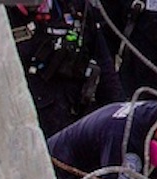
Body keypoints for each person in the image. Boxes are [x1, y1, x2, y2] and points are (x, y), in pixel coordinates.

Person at [10, 0, 121, 136]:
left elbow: (106, 71)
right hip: (28, 124)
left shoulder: (77, 8)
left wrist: (119, 116)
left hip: (76, 118)